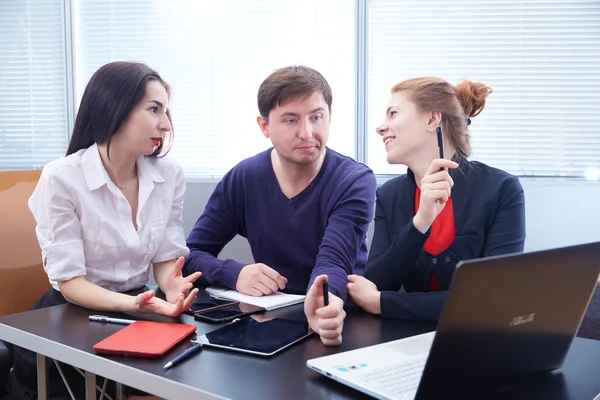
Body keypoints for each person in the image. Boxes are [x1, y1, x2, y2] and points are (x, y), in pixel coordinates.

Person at [4, 62, 200, 400]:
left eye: (166, 112)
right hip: (74, 315)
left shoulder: (170, 175)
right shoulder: (63, 177)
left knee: (189, 372)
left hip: (139, 306)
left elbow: (167, 256)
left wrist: (172, 284)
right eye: (154, 109)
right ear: (116, 108)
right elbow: (71, 284)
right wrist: (133, 304)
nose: (166, 125)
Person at [184, 65, 377, 346]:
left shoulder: (354, 180)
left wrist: (324, 301)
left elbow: (333, 262)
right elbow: (191, 254)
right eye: (290, 120)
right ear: (264, 126)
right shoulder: (244, 177)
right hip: (268, 321)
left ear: (330, 117)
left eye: (316, 117)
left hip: (335, 316)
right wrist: (234, 273)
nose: (307, 132)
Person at [347, 77, 526, 322]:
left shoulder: (501, 190)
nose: (381, 127)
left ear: (432, 119)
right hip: (401, 344)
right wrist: (420, 222)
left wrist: (384, 303)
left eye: (393, 114)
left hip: (476, 344)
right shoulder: (388, 195)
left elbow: (491, 300)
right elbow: (375, 283)